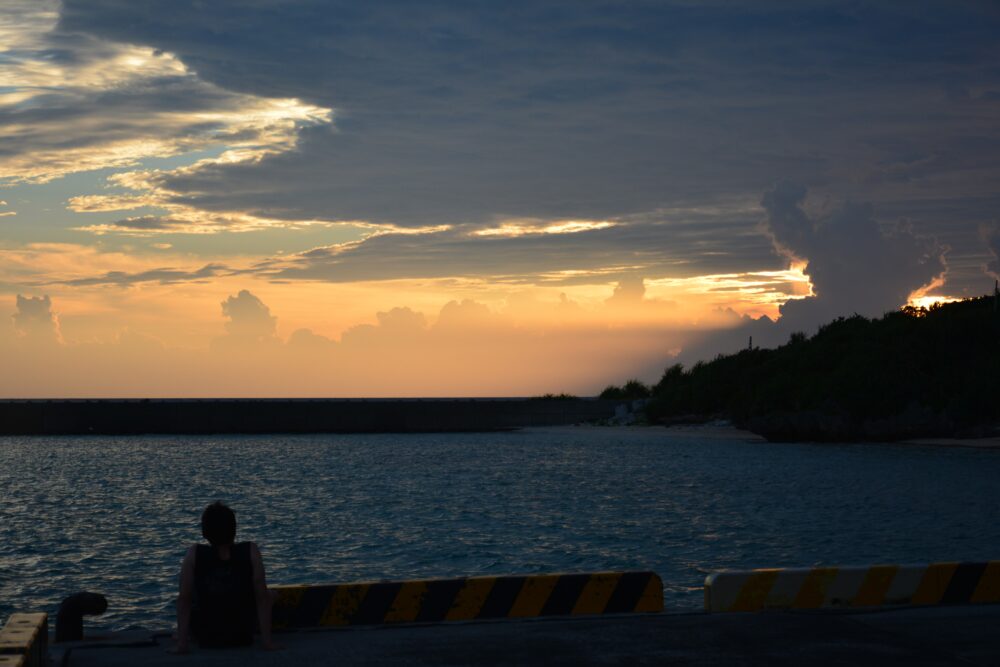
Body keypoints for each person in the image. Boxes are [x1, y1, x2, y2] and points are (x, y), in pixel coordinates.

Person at [174, 501, 279, 652]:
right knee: (271, 595)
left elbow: (184, 599)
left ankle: (181, 636)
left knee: (192, 594)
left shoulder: (195, 554)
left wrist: (181, 645)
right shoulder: (251, 551)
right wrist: (267, 643)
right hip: (242, 635)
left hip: (205, 636)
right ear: (234, 529)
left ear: (205, 532)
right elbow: (262, 599)